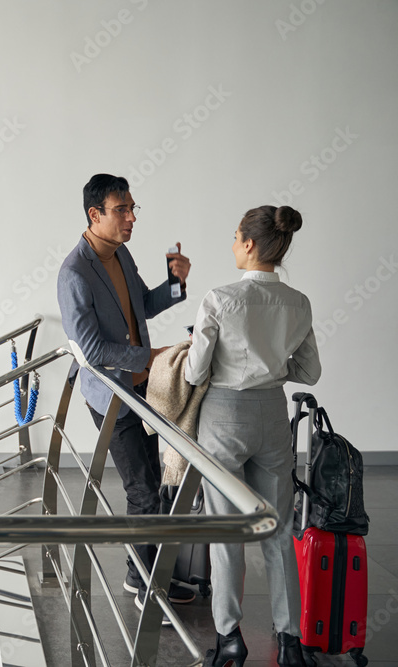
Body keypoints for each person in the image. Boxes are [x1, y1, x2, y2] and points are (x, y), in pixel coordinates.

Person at [185, 205, 320, 667]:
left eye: (234, 237)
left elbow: (195, 370)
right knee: (280, 530)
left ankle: (229, 639)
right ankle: (289, 640)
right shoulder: (298, 302)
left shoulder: (219, 299)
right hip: (271, 415)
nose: (232, 245)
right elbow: (311, 372)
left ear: (247, 243)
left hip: (223, 416)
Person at [57, 173, 195, 613]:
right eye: (122, 210)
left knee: (153, 484)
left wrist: (174, 283)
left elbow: (143, 306)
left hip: (141, 388)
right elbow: (92, 350)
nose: (132, 217)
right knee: (143, 489)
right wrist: (151, 356)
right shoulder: (74, 273)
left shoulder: (121, 254)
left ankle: (150, 575)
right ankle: (141, 585)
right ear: (94, 214)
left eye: (134, 208)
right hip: (112, 397)